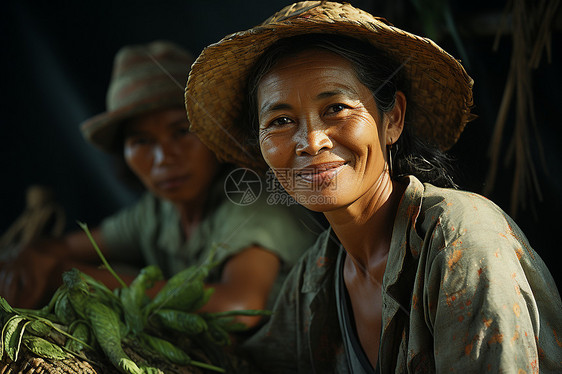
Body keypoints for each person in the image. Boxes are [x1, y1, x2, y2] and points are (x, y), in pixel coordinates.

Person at [184, 2, 562, 372]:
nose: (311, 142)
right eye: (281, 120)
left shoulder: (461, 238)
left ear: (392, 119)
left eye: (336, 108)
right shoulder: (316, 275)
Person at [0, 40, 318, 329]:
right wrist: (31, 256)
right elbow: (66, 246)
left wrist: (71, 277)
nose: (164, 157)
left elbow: (239, 308)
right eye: (141, 141)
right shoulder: (156, 214)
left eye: (181, 132)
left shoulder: (250, 200)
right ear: (124, 155)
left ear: (213, 135)